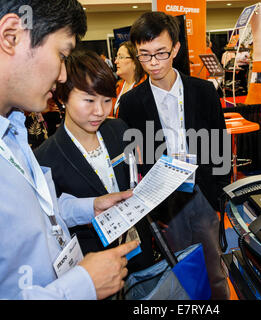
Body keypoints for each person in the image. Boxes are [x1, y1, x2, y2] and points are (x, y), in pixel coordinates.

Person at [0, 0, 138, 300]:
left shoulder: (8, 127)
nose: (63, 75)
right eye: (61, 55)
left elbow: (34, 213)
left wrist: (89, 207)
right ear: (11, 36)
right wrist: (81, 286)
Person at [117, 11, 231, 300]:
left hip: (203, 189)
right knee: (178, 272)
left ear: (176, 49)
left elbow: (218, 142)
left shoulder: (203, 91)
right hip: (165, 201)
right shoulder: (131, 103)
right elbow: (136, 158)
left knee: (214, 267)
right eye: (144, 55)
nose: (153, 63)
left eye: (161, 53)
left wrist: (218, 193)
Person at [34, 49, 155, 272]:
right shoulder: (45, 157)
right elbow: (53, 221)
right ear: (63, 98)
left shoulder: (119, 129)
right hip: (94, 263)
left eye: (107, 100)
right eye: (89, 100)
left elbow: (133, 179)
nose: (99, 111)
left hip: (140, 247)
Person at [111, 41, 147, 118]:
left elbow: (150, 123)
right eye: (116, 57)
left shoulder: (145, 89)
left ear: (135, 61)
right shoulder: (118, 87)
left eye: (121, 57)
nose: (116, 61)